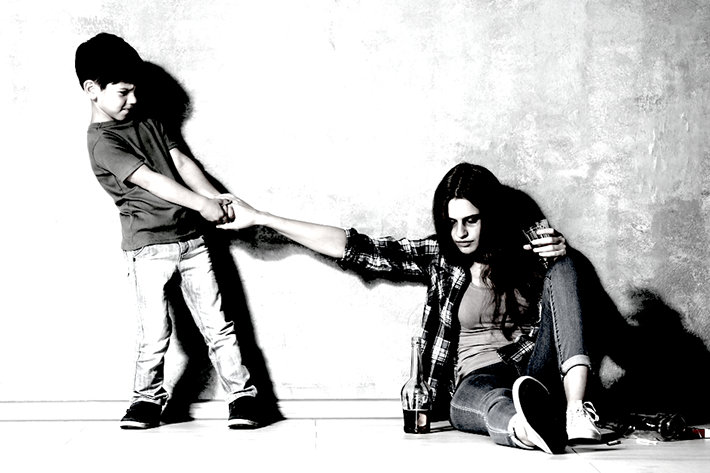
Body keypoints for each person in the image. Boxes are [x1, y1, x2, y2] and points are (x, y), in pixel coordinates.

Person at [220, 163, 602, 453]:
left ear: (490, 215)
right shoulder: (441, 257)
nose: (460, 233)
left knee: (566, 263)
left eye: (471, 221)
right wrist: (262, 217)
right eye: (451, 222)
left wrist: (558, 250)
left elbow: (566, 297)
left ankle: (574, 410)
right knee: (487, 402)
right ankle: (524, 429)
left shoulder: (527, 250)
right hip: (478, 379)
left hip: (533, 368)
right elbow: (358, 249)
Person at [75, 32, 259, 430]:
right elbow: (153, 180)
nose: (133, 99)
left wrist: (215, 198)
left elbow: (182, 163)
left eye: (135, 91)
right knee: (155, 334)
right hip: (148, 250)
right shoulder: (102, 142)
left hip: (193, 242)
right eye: (123, 92)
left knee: (218, 325)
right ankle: (145, 401)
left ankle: (243, 397)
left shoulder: (150, 120)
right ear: (92, 90)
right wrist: (202, 205)